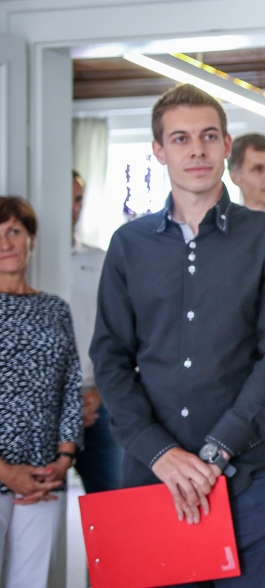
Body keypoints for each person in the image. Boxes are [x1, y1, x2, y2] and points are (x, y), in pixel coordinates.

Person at [91, 84, 265, 587]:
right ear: (159, 150)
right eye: (180, 138)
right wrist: (161, 454)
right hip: (152, 477)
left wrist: (216, 451)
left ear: (226, 144)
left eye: (209, 136)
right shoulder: (128, 245)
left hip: (246, 478)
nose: (197, 150)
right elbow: (110, 358)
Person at [0, 196, 83, 588]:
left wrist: (64, 458)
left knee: (31, 581)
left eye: (14, 231)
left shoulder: (55, 309)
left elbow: (70, 387)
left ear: (31, 239)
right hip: (2, 467)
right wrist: (6, 472)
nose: (5, 243)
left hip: (44, 472)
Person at [70, 170, 123, 493]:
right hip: (43, 407)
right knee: (41, 502)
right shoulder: (31, 265)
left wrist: (100, 392)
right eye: (68, 199)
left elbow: (119, 331)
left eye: (79, 199)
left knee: (112, 497)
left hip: (97, 399)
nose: (74, 207)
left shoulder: (101, 261)